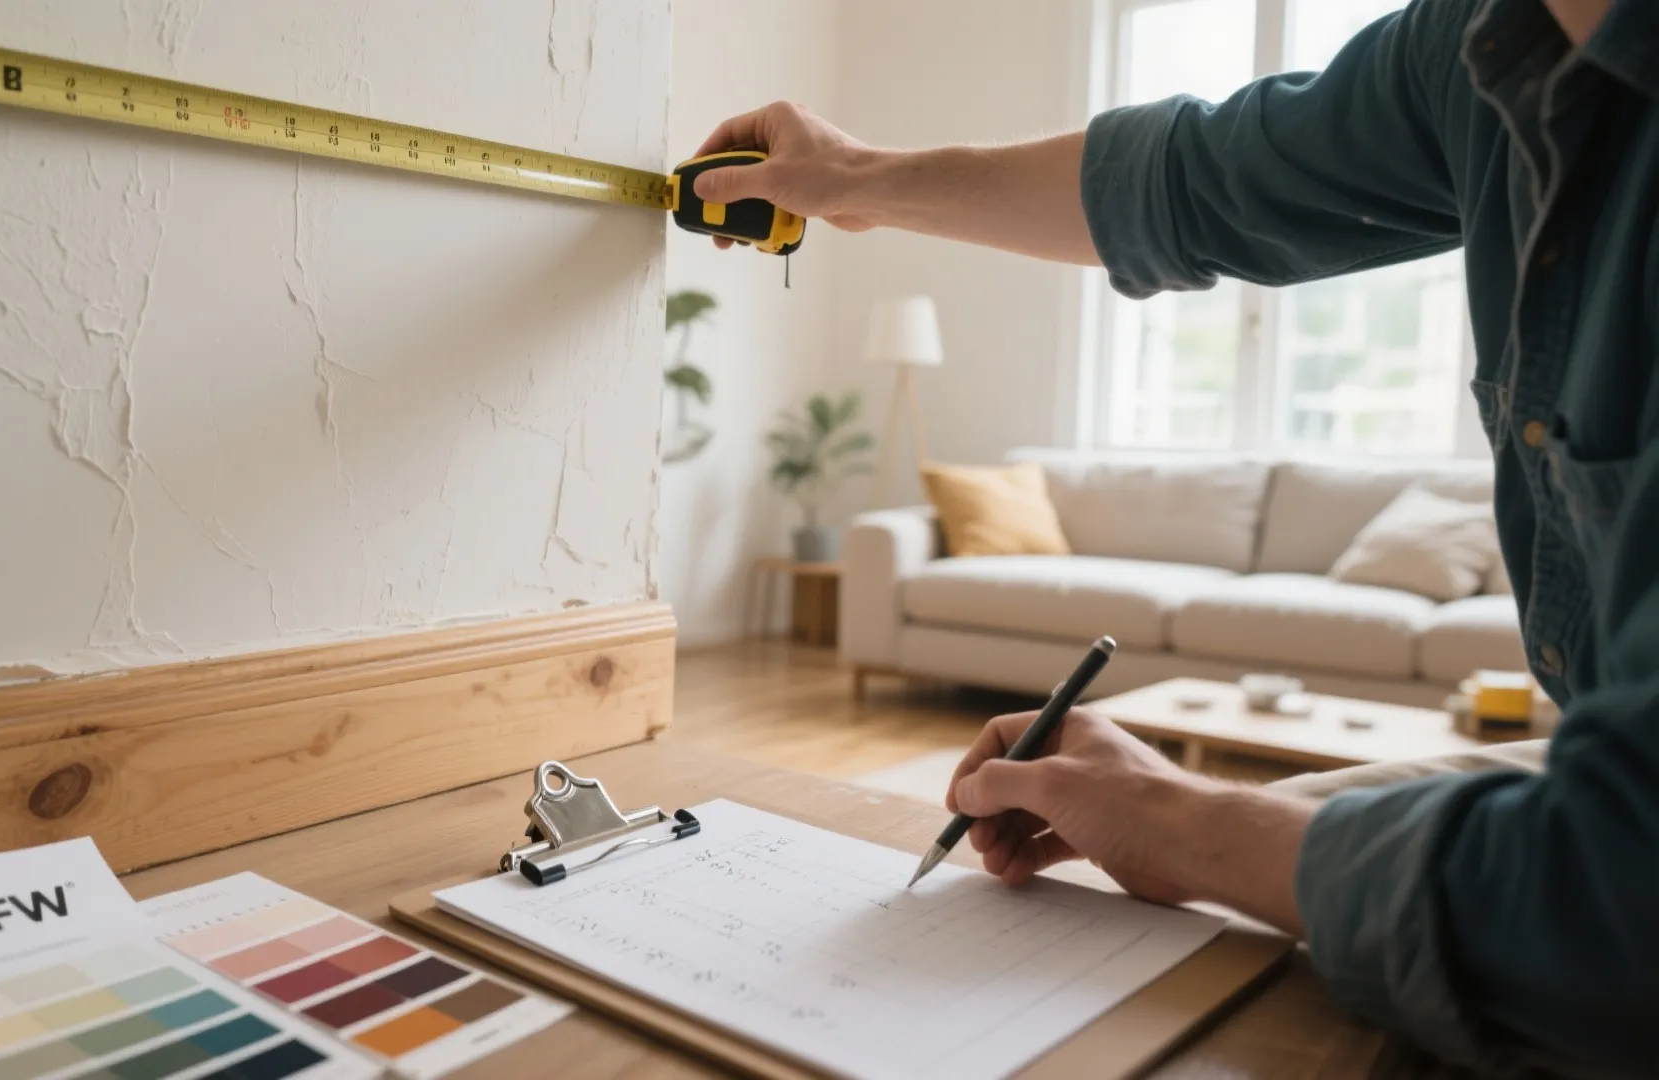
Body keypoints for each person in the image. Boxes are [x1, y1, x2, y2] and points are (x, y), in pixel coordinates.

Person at [687, 0, 1654, 1073]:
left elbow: (1617, 904)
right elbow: (1193, 179)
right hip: (1607, 781)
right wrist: (858, 179)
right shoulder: (1476, 42)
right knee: (1252, 887)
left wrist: (1181, 824)